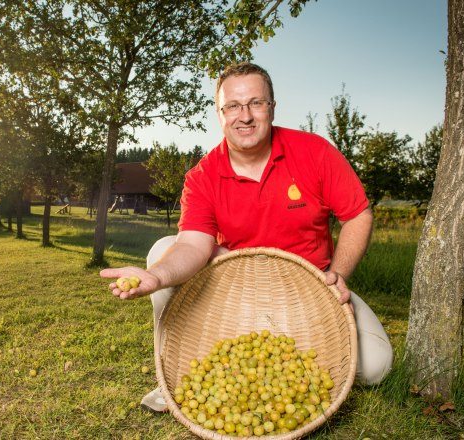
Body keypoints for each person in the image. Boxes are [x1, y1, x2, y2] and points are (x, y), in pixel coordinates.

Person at [100, 62, 393, 413]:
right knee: (164, 250)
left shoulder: (314, 152)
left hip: (311, 288)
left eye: (256, 103)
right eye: (233, 106)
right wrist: (157, 277)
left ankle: (294, 356)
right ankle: (177, 375)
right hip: (236, 290)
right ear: (219, 113)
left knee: (376, 367)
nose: (245, 116)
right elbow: (193, 245)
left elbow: (358, 215)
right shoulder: (202, 176)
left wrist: (338, 275)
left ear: (272, 106)